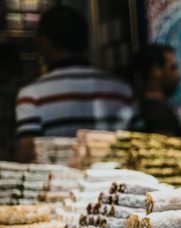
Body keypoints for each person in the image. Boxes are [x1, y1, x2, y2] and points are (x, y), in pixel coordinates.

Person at [15, 6, 135, 163]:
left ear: (44, 42)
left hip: (57, 185)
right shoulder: (122, 90)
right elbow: (137, 145)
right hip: (118, 185)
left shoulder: (31, 96)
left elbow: (27, 154)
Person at [133, 44, 181, 137]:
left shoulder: (138, 109)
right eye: (172, 68)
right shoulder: (158, 115)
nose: (178, 75)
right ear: (157, 71)